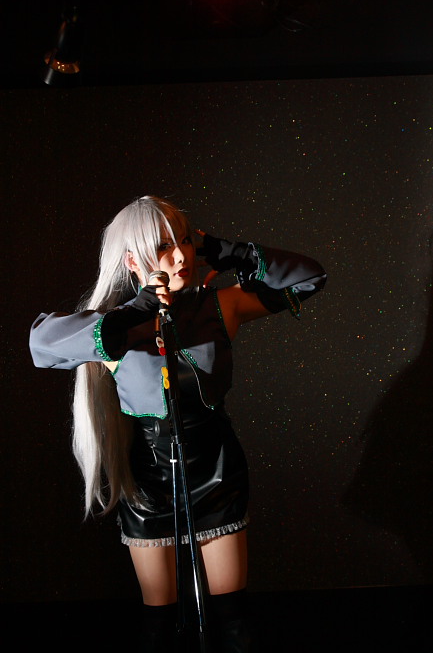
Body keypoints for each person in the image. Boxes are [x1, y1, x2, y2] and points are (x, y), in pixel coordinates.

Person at [29, 195, 327, 652]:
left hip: (216, 470)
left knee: (234, 623)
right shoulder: (116, 327)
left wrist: (230, 252)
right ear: (133, 260)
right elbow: (41, 346)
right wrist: (136, 311)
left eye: (185, 241)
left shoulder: (217, 307)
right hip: (148, 483)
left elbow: (310, 277)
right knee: (158, 625)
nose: (181, 256)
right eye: (163, 247)